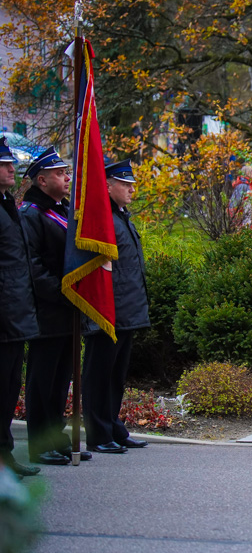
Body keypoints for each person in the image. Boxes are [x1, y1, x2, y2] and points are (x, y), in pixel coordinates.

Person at [19, 148, 93, 465]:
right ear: (42, 179)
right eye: (60, 173)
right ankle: (39, 442)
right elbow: (33, 268)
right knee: (43, 379)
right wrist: (66, 294)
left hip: (66, 311)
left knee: (61, 379)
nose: (67, 178)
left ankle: (55, 436)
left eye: (67, 172)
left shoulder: (61, 211)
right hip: (46, 311)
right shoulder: (31, 214)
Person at [82, 160, 150, 454]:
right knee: (99, 375)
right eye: (124, 184)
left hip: (126, 310)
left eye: (132, 184)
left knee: (115, 376)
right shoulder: (101, 220)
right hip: (106, 311)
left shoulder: (121, 217)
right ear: (107, 185)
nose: (131, 189)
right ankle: (98, 434)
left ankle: (112, 427)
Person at [0, 137, 40, 477]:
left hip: (13, 313)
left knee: (9, 385)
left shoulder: (7, 204)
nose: (12, 168)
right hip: (3, 314)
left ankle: (4, 454)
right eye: (4, 164)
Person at [228, 164, 252, 229]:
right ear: (248, 173)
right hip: (245, 226)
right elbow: (233, 207)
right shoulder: (242, 186)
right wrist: (237, 224)